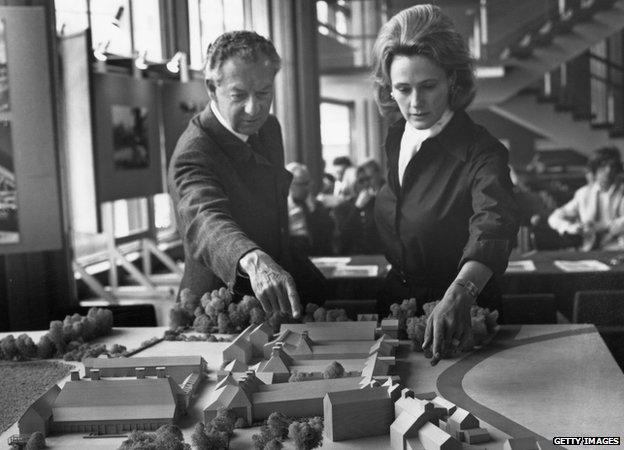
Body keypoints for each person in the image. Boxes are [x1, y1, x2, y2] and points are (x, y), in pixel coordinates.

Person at [371, 5, 519, 364]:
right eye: (403, 89)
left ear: (453, 81)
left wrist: (462, 292)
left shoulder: (482, 150)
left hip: (463, 316)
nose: (416, 103)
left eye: (428, 86)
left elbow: (494, 223)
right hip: (397, 309)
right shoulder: (396, 136)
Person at [169, 31, 317, 318]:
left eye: (264, 93)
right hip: (218, 308)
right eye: (239, 95)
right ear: (212, 88)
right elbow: (205, 220)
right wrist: (251, 258)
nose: (254, 108)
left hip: (275, 300)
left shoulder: (269, 127)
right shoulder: (193, 151)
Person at [548, 146, 624, 251]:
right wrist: (573, 228)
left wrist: (604, 225)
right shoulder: (584, 193)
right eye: (603, 166)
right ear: (594, 169)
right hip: (589, 250)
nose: (608, 171)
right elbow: (554, 217)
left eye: (612, 166)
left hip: (618, 250)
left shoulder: (622, 191)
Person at [286, 162, 335, 256]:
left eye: (309, 182)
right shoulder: (283, 207)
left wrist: (315, 210)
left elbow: (330, 228)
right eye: (305, 183)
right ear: (290, 185)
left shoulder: (315, 204)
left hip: (317, 254)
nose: (309, 187)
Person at [333, 164, 383, 254]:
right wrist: (357, 207)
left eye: (367, 179)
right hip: (351, 255)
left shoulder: (377, 203)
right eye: (361, 181)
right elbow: (343, 235)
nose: (366, 184)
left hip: (375, 255)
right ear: (351, 183)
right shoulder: (341, 208)